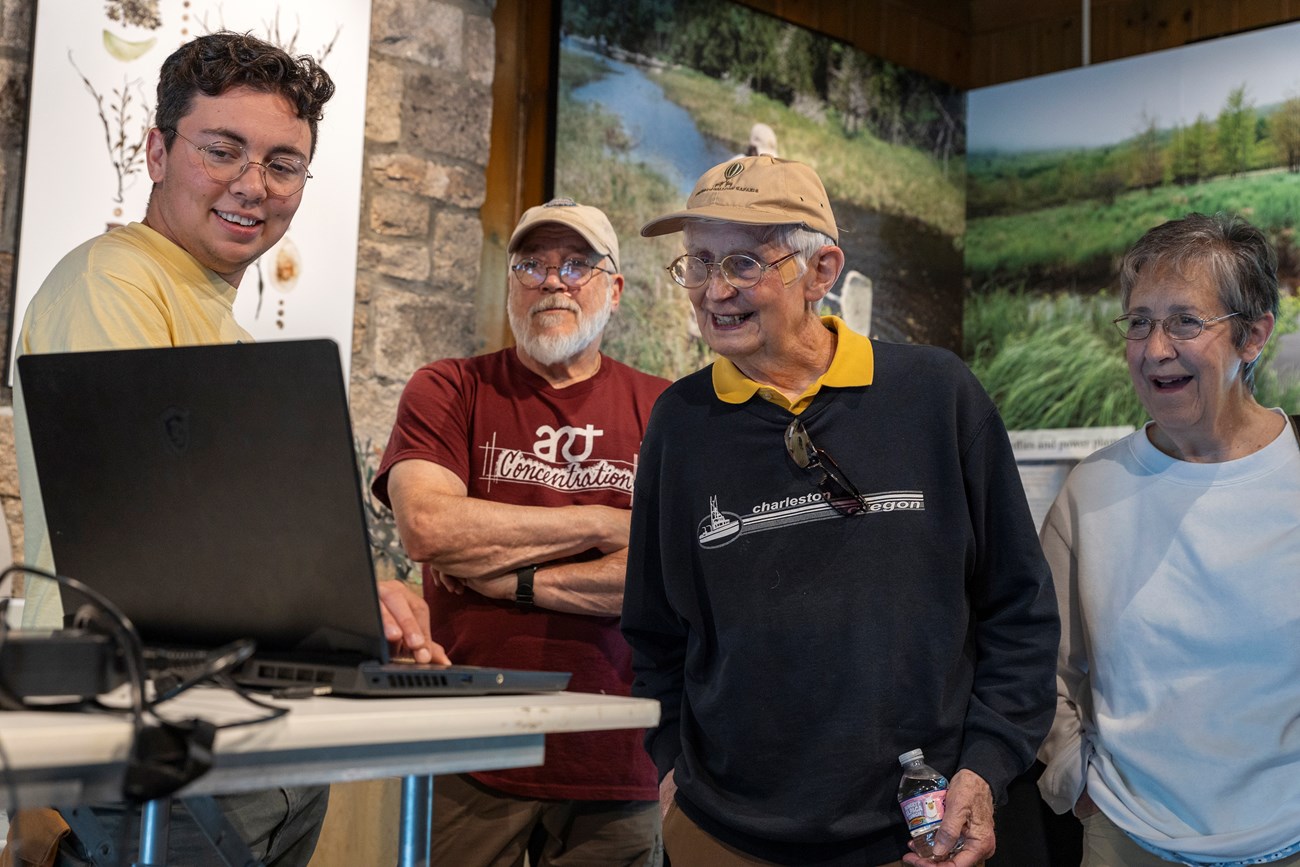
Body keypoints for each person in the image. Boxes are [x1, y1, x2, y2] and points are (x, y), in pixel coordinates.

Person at [621, 155, 1059, 867]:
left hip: (917, 834)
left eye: (741, 261)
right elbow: (654, 632)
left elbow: (1020, 608)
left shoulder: (936, 395)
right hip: (721, 835)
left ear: (822, 271)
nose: (713, 289)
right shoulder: (680, 421)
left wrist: (986, 766)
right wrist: (671, 765)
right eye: (697, 262)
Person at [10, 31, 336, 866]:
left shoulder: (213, 314)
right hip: (141, 733)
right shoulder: (113, 280)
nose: (251, 185)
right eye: (222, 150)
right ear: (157, 150)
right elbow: (158, 534)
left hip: (231, 734)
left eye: (283, 163)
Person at [372, 198, 670, 865]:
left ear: (614, 289)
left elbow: (665, 575)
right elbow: (427, 524)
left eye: (576, 264)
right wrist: (600, 522)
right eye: (531, 264)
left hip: (620, 752)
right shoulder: (448, 387)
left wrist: (512, 576)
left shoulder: (664, 408)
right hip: (470, 747)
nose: (552, 281)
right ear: (510, 283)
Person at [1037, 212, 1300, 866]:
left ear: (1254, 335)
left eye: (1186, 321)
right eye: (1139, 322)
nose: (1155, 349)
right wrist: (1078, 783)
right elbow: (1040, 661)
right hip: (1129, 837)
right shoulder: (1091, 490)